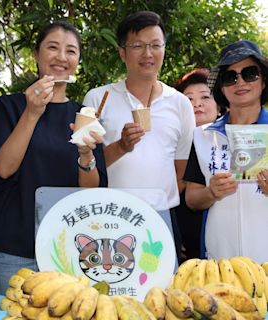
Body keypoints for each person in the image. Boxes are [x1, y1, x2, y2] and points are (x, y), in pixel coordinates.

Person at [0, 20, 107, 295]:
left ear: (78, 60)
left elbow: (91, 191)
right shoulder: (11, 106)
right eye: (53, 47)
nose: (62, 57)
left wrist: (86, 154)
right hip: (16, 250)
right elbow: (3, 169)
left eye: (71, 51)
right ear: (37, 54)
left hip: (69, 248)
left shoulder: (84, 115)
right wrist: (32, 112)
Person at [82, 11, 195, 261]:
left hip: (162, 219)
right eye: (138, 46)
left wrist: (154, 205)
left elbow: (181, 171)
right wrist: (121, 146)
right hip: (110, 219)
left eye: (155, 45)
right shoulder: (98, 99)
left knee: (163, 296)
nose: (148, 54)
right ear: (122, 53)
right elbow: (87, 164)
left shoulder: (180, 103)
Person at [184, 40, 268, 263]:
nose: (240, 81)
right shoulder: (202, 136)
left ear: (264, 80)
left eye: (250, 73)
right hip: (219, 264)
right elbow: (192, 199)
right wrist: (211, 193)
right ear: (221, 87)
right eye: (230, 76)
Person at [174, 69, 221, 260]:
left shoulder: (230, 142)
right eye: (189, 99)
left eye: (205, 97)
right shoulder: (171, 146)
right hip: (183, 247)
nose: (197, 104)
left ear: (220, 106)